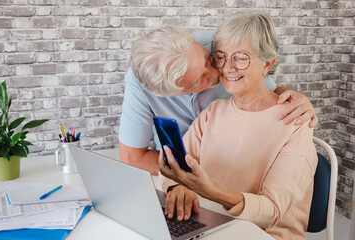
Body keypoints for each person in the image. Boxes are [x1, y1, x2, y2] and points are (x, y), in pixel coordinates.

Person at [159, 12, 318, 240]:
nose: (228, 68)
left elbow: (271, 212)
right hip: (211, 228)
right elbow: (175, 166)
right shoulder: (214, 111)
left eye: (241, 58)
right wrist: (177, 187)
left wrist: (208, 191)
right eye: (221, 56)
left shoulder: (295, 123)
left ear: (268, 64)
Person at [119, 25, 318, 175]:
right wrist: (187, 181)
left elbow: (266, 88)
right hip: (179, 174)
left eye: (209, 60)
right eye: (199, 80)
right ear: (172, 92)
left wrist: (298, 98)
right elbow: (133, 158)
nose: (217, 72)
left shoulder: (220, 46)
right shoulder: (142, 82)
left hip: (238, 174)